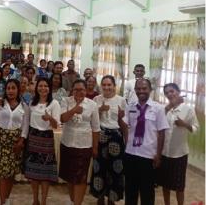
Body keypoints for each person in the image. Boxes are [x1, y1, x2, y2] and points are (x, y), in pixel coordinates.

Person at [118, 78, 169, 205]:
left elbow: (162, 132)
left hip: (148, 156)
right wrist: (119, 119)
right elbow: (124, 125)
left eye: (144, 88)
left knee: (147, 192)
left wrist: (159, 155)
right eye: (138, 89)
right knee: (130, 191)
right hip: (131, 154)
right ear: (135, 90)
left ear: (150, 90)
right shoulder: (130, 107)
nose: (141, 91)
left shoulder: (158, 108)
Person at [59, 79, 100, 205]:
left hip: (84, 146)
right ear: (72, 90)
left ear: (86, 90)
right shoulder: (66, 101)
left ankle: (77, 203)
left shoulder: (92, 105)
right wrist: (74, 110)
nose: (79, 92)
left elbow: (96, 128)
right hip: (67, 144)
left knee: (81, 178)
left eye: (82, 89)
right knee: (70, 177)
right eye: (76, 89)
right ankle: (72, 201)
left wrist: (95, 148)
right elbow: (62, 119)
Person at [0, 79, 29, 205]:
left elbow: (25, 126)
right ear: (5, 90)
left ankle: (7, 198)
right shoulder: (1, 103)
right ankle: (2, 202)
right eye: (8, 88)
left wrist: (21, 141)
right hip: (1, 140)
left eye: (13, 88)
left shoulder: (24, 107)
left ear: (18, 90)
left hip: (15, 141)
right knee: (3, 173)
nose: (10, 91)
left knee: (11, 173)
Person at [157, 83, 199, 205]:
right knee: (165, 184)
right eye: (167, 93)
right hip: (165, 153)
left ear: (178, 92)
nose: (170, 94)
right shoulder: (165, 109)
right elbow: (157, 122)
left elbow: (196, 128)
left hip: (180, 154)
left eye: (172, 91)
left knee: (179, 186)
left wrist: (184, 124)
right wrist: (170, 106)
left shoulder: (188, 109)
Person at [90, 75, 126, 205]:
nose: (106, 87)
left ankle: (112, 198)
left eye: (109, 85)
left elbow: (124, 123)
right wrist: (100, 110)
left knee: (115, 168)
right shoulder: (96, 99)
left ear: (114, 86)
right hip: (101, 135)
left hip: (116, 137)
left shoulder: (121, 101)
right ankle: (100, 197)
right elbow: (92, 120)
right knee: (99, 167)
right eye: (104, 85)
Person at [24, 78, 60, 205]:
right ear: (36, 87)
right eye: (40, 86)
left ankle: (43, 201)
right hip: (33, 138)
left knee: (45, 174)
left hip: (46, 139)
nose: (43, 88)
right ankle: (35, 200)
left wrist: (50, 118)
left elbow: (56, 125)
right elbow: (27, 122)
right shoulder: (31, 103)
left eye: (45, 86)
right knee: (33, 173)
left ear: (49, 88)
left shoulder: (54, 103)